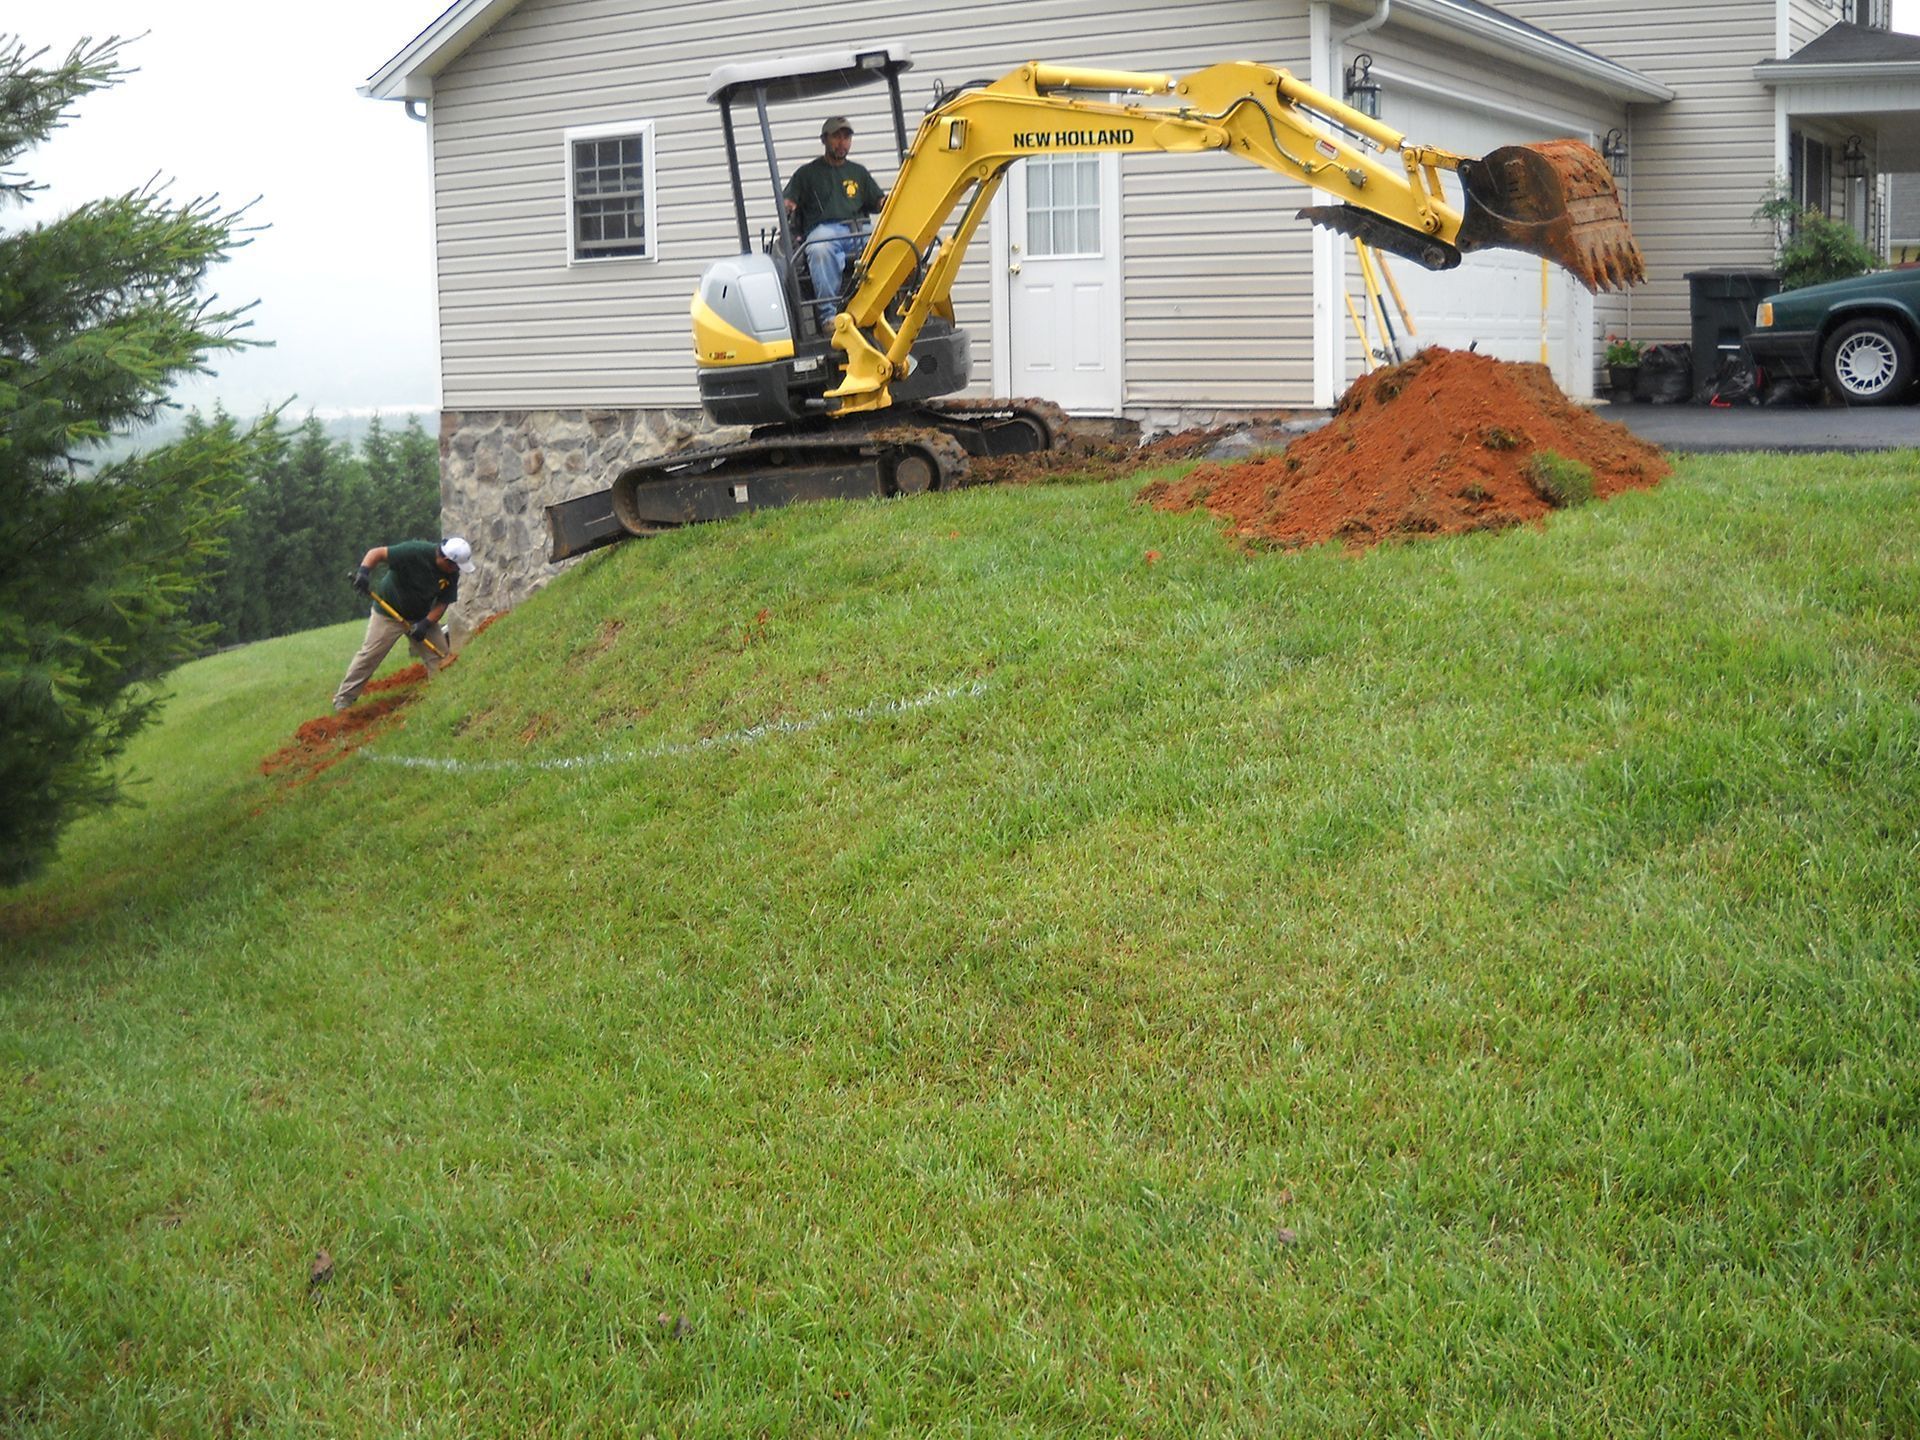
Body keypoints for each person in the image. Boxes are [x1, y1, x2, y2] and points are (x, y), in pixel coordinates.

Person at [331, 537, 475, 711]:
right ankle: (344, 699)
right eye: (455, 566)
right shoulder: (415, 551)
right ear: (446, 560)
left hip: (420, 616)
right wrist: (364, 573)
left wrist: (426, 623)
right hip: (388, 613)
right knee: (370, 655)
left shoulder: (452, 572)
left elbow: (442, 603)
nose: (457, 571)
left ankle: (442, 694)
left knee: (441, 658)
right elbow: (376, 553)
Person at [782, 115, 886, 326]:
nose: (842, 142)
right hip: (825, 231)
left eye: (846, 137)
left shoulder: (858, 172)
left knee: (888, 245)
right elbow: (788, 200)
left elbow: (878, 202)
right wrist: (788, 205)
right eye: (836, 137)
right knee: (820, 248)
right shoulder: (807, 174)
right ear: (824, 140)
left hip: (857, 230)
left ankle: (883, 308)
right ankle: (829, 317)